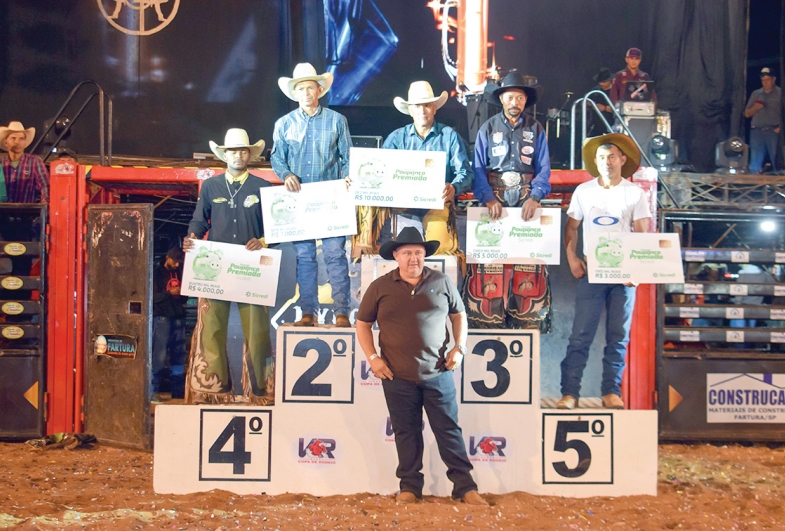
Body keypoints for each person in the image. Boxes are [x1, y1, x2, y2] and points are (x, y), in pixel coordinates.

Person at [355, 227, 487, 506]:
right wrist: (373, 358)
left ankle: (465, 487)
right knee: (406, 432)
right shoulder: (379, 286)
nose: (413, 258)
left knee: (448, 430)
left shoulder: (441, 282)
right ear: (396, 255)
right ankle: (409, 488)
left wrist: (460, 347)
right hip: (396, 376)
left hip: (438, 373)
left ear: (425, 254)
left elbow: (459, 314)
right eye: (407, 253)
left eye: (418, 252)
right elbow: (363, 324)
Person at [558, 133, 651, 410]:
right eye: (601, 158)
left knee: (618, 337)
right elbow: (571, 228)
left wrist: (637, 269)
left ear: (623, 159)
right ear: (595, 162)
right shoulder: (584, 192)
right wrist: (572, 258)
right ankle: (569, 394)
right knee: (580, 336)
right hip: (592, 273)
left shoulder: (635, 193)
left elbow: (643, 234)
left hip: (623, 277)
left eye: (612, 156)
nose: (607, 162)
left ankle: (611, 392)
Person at [183, 128, 274, 405]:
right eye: (233, 151)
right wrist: (192, 237)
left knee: (257, 330)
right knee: (212, 327)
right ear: (224, 155)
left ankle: (262, 391)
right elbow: (200, 220)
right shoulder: (211, 186)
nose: (238, 155)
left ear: (250, 155)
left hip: (252, 264)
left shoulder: (263, 187)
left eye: (243, 151)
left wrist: (263, 240)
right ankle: (214, 390)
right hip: (216, 263)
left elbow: (276, 226)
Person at [467, 71, 552, 330]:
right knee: (489, 259)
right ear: (501, 99)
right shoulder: (488, 128)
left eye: (520, 97)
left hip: (526, 197)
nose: (515, 102)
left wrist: (536, 196)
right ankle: (488, 319)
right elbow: (478, 168)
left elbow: (544, 168)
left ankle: (526, 319)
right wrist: (488, 197)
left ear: (525, 101)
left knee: (529, 258)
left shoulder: (535, 128)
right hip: (495, 198)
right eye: (510, 97)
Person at [270, 63, 353, 327]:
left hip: (330, 198)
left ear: (319, 90)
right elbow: (276, 158)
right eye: (301, 88)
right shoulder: (284, 124)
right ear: (295, 93)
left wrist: (349, 176)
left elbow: (347, 156)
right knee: (305, 257)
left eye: (310, 87)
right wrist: (286, 175)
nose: (306, 92)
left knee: (335, 255)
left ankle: (342, 312)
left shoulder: (337, 120)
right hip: (299, 199)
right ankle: (309, 312)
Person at [376, 81, 473, 250]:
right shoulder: (397, 138)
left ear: (435, 108)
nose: (422, 110)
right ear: (410, 110)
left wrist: (454, 187)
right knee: (406, 250)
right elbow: (379, 171)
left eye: (427, 105)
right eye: (417, 106)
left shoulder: (449, 136)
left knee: (439, 249)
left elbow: (465, 172)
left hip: (437, 205)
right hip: (403, 207)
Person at [152, 246, 187, 399]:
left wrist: (182, 294)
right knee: (158, 356)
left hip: (178, 317)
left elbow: (185, 297)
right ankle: (152, 391)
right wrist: (169, 293)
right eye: (175, 261)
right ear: (168, 258)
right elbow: (152, 297)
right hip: (162, 318)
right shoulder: (156, 274)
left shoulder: (179, 273)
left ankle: (178, 393)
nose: (177, 265)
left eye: (179, 262)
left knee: (178, 354)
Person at [0, 121, 49, 203]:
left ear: (25, 142)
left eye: (21, 138)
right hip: (4, 213)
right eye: (13, 138)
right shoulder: (1, 163)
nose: (17, 142)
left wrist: (44, 204)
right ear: (6, 142)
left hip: (27, 213)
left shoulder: (35, 161)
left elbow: (45, 186)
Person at [745, 67, 781, 174]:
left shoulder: (780, 93)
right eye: (763, 80)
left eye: (767, 80)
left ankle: (780, 187)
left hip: (773, 131)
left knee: (777, 160)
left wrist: (780, 128)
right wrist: (755, 108)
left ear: (773, 79)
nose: (765, 83)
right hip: (757, 131)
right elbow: (747, 114)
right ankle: (753, 187)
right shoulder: (756, 94)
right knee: (755, 162)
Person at [588, 67, 615, 134]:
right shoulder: (595, 90)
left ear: (610, 81)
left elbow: (619, 109)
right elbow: (585, 101)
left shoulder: (616, 91)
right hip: (596, 126)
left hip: (611, 125)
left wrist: (605, 108)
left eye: (604, 82)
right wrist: (591, 104)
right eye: (600, 82)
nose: (601, 84)